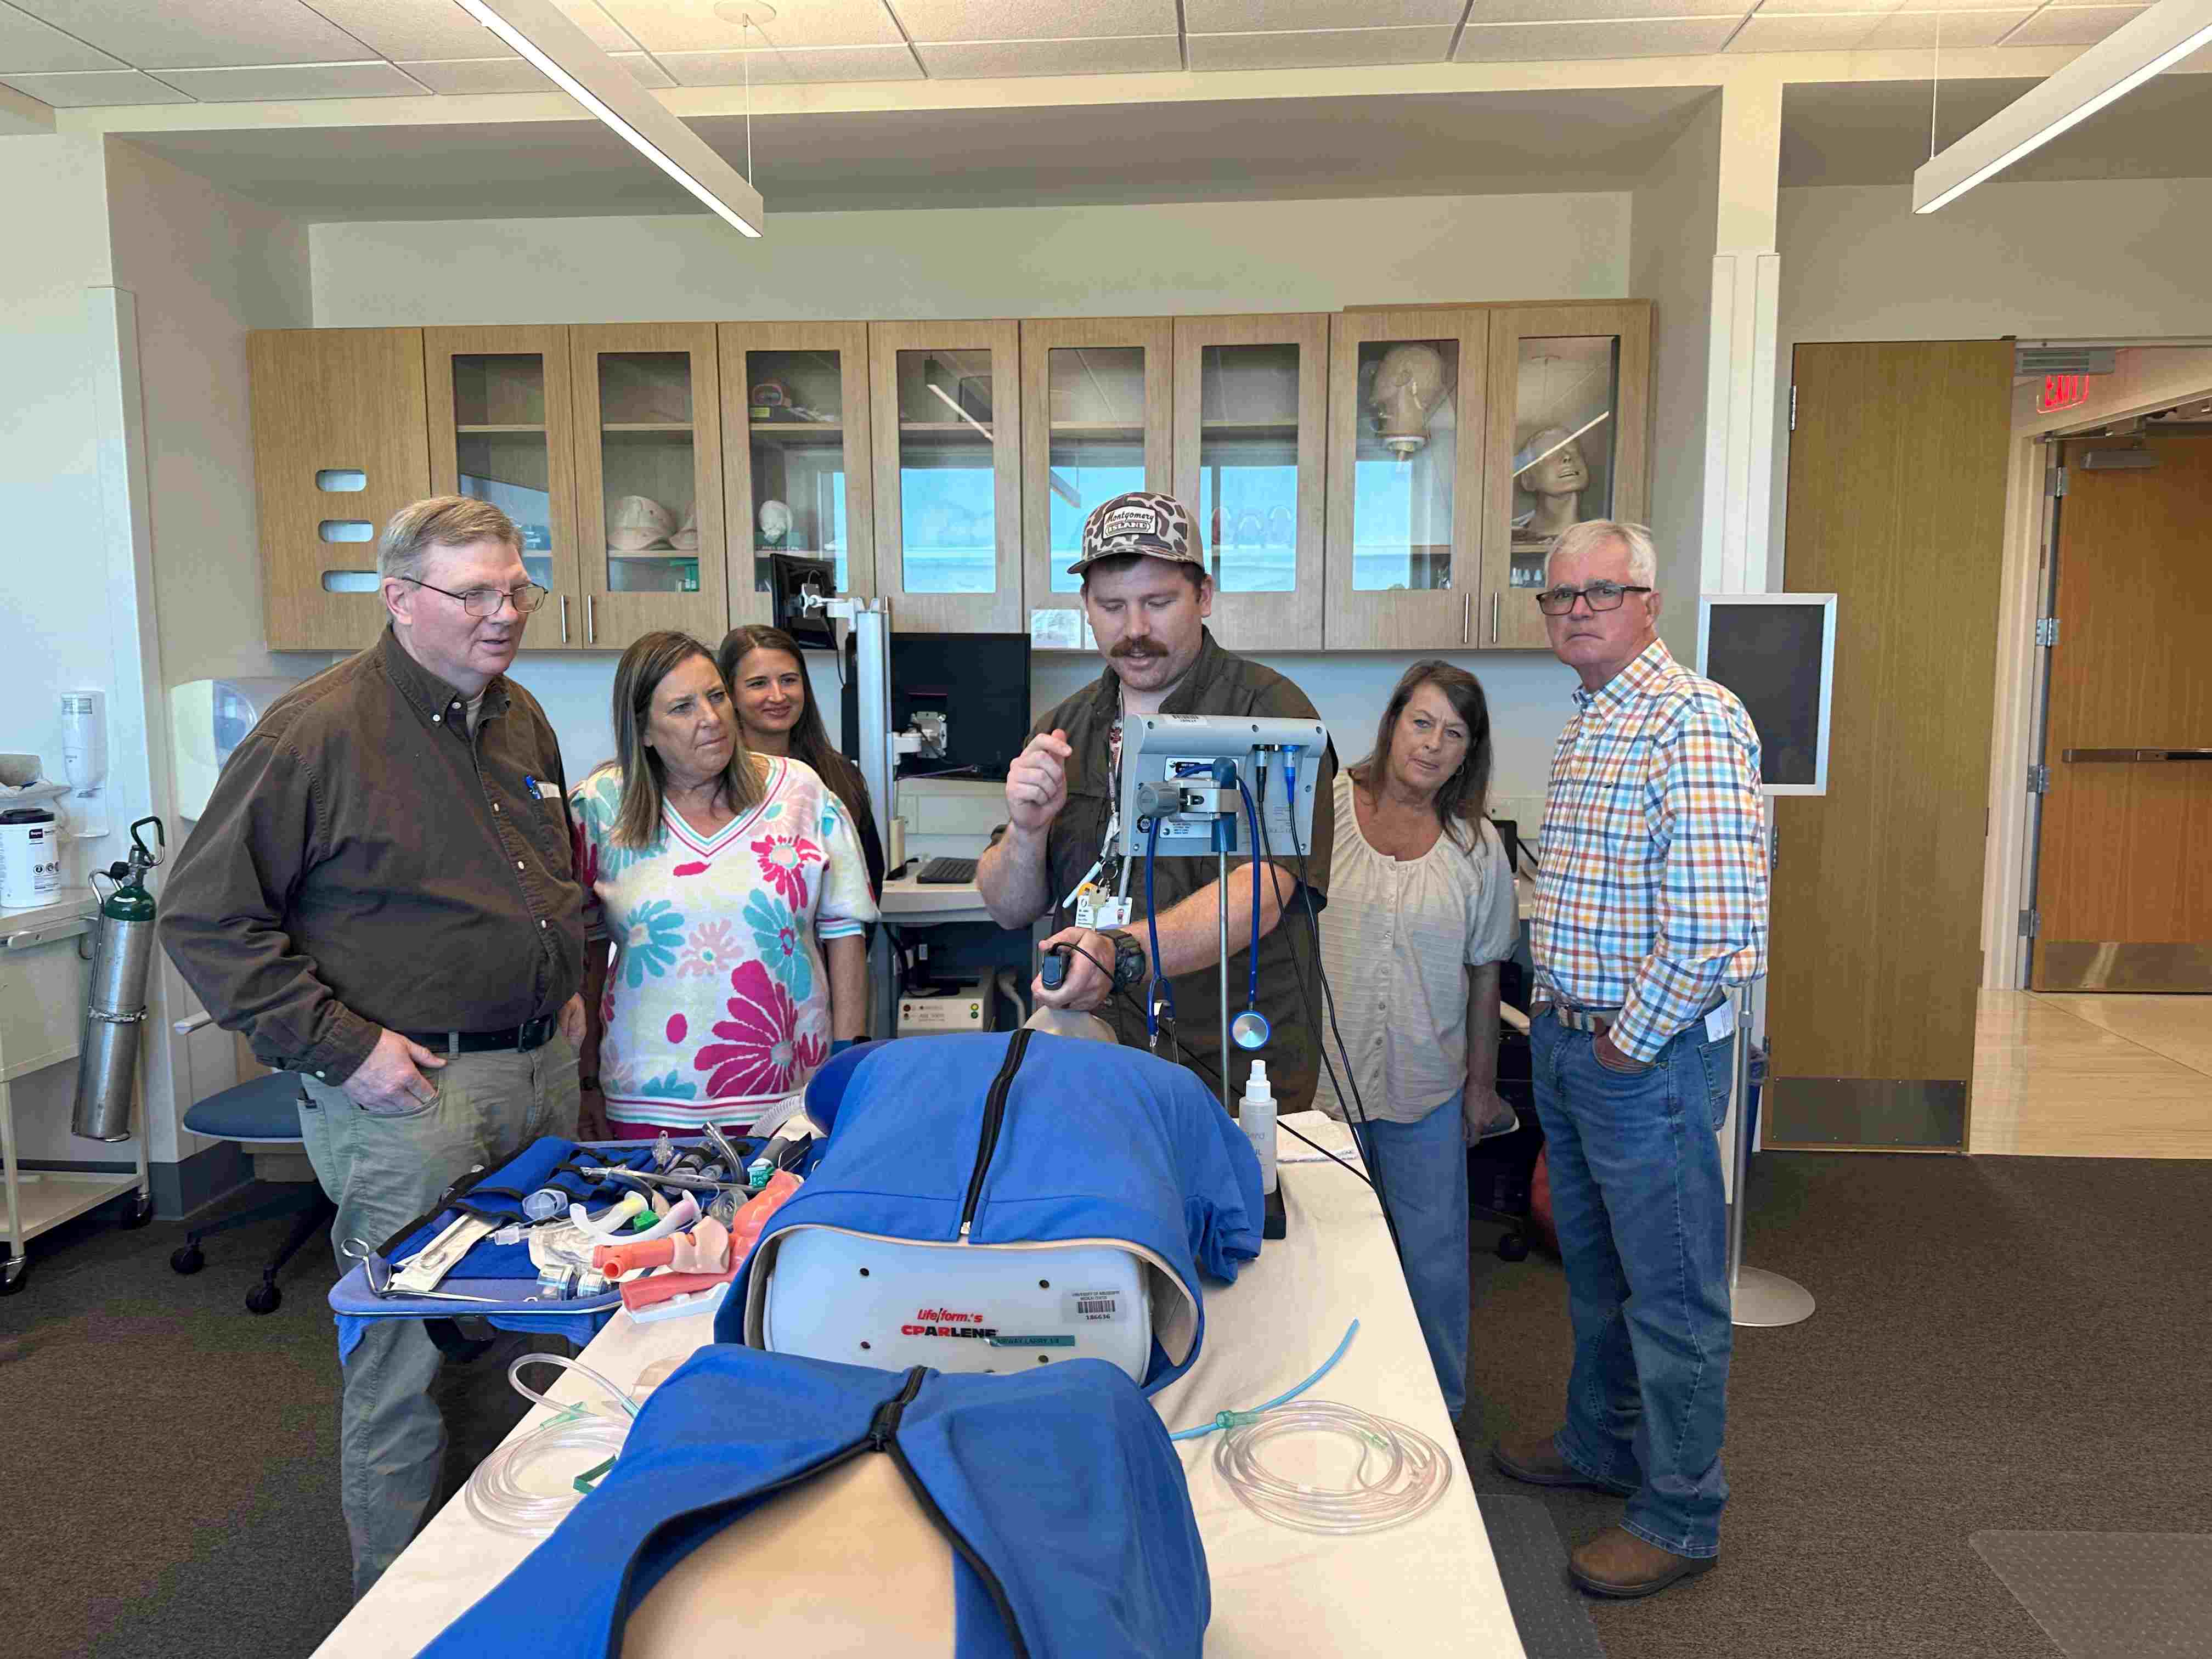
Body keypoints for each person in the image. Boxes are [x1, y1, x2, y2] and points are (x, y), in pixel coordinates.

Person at [159, 495, 588, 1598]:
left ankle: (518, 1581)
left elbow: (542, 876)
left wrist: (569, 989)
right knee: (402, 1364)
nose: (506, 613)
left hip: (539, 1072)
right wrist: (342, 1049)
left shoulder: (517, 715)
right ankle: (396, 1608)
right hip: (415, 1095)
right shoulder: (318, 730)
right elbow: (205, 917)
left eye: (517, 589)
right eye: (477, 592)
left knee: (530, 1333)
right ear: (400, 600)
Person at [1492, 520, 1767, 1601]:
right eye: (1559, 596)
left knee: (1671, 1295)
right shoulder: (1595, 718)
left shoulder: (1691, 719)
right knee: (1596, 1277)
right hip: (1573, 1039)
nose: (1576, 610)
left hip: (1635, 1057)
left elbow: (1713, 928)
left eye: (1600, 592)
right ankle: (1604, 1445)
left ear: (1649, 601)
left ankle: (1682, 1514)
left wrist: (1622, 1040)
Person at [975, 490, 1336, 1110]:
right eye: (1113, 606)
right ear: (1086, 605)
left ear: (1205, 596)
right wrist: (1027, 830)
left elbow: (1262, 894)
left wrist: (1122, 951)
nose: (1135, 630)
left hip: (1229, 1072)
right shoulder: (1062, 728)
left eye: (1158, 603)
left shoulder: (1269, 713)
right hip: (1092, 1063)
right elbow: (1009, 907)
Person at [1311, 662, 1520, 1422]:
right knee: (1325, 1264)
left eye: (1454, 734)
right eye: (1422, 722)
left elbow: (1485, 973)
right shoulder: (1322, 811)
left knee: (1433, 1271)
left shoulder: (1475, 847)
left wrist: (1481, 1088)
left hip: (1427, 1091)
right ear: (1394, 721)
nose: (1433, 745)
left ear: (1470, 751)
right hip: (1321, 1091)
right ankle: (1327, 1412)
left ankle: (1437, 1421)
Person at [571, 631, 876, 1140]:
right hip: (646, 1099)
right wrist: (584, 1083)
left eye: (716, 697)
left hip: (792, 1095)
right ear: (643, 730)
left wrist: (845, 1064)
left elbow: (845, 932)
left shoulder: (800, 791)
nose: (711, 719)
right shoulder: (600, 805)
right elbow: (584, 954)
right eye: (683, 708)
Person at [716, 623, 885, 893]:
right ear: (731, 695)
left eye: (788, 680)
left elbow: (869, 880)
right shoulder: (710, 780)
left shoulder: (840, 775)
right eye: (758, 683)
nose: (778, 695)